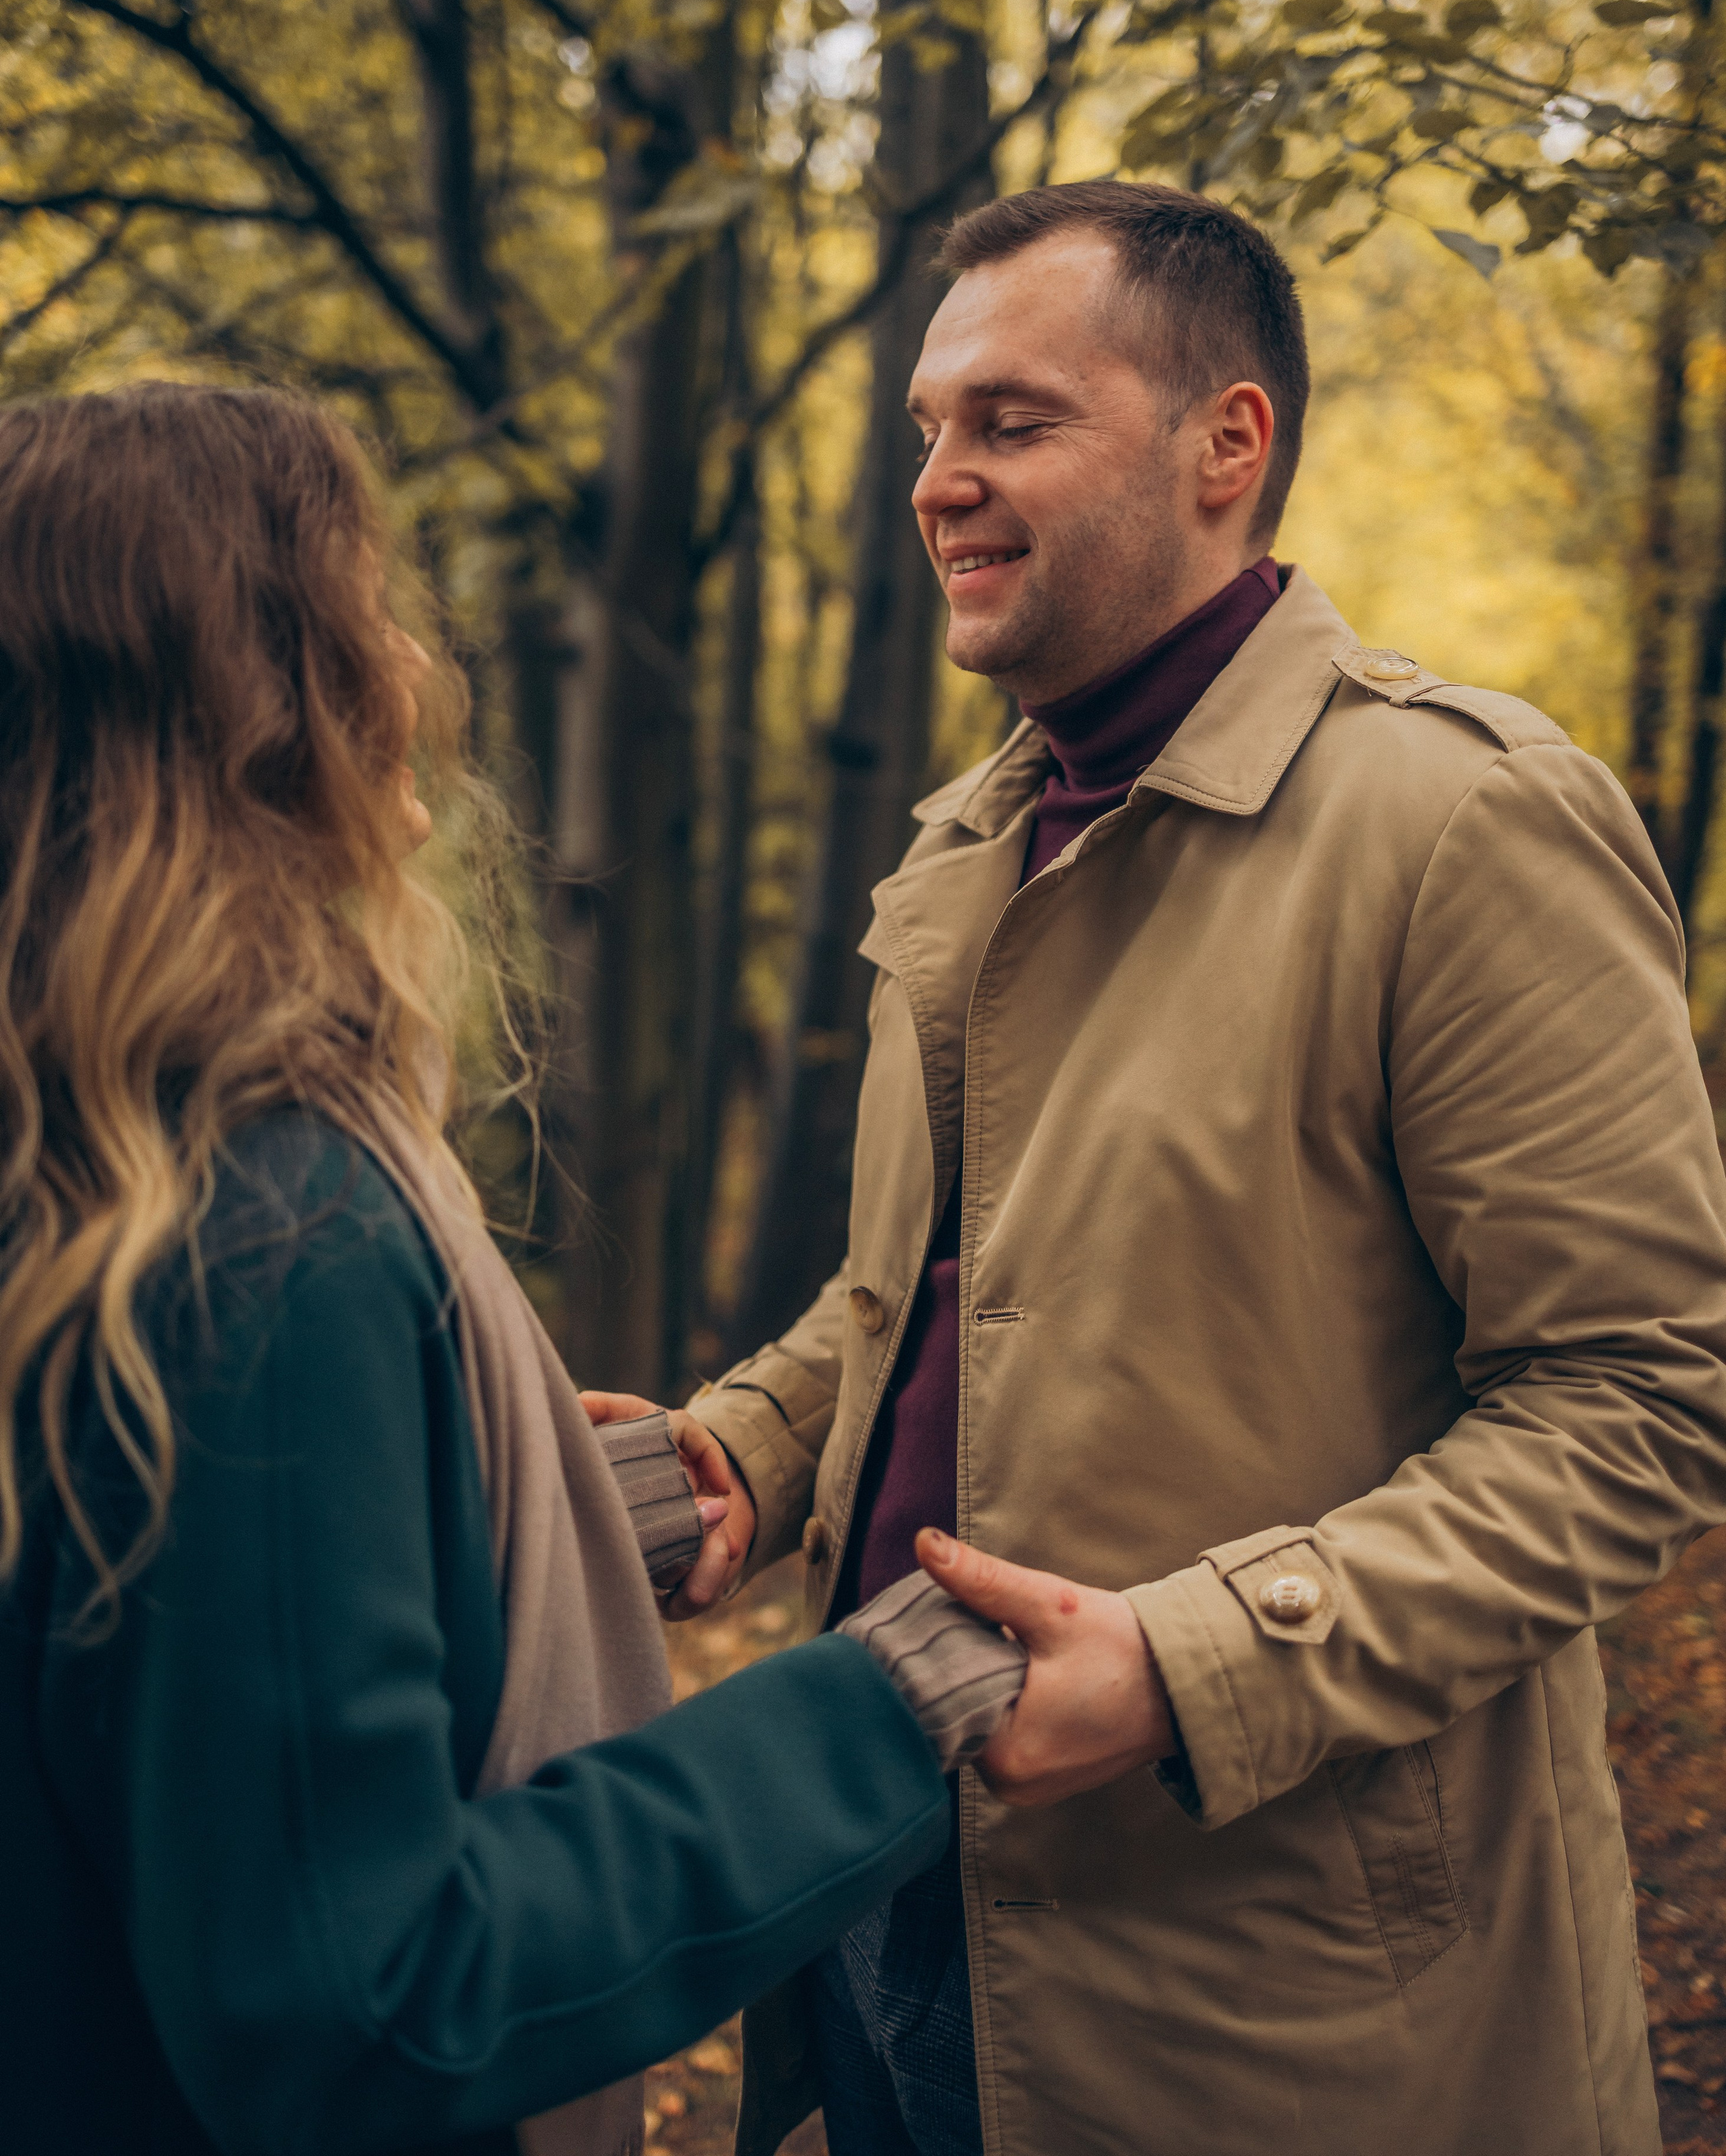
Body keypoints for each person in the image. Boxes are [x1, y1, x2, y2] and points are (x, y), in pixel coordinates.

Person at [663, 182, 1726, 2156]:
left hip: (1275, 1989)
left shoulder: (1458, 826)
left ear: (1225, 444)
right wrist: (755, 1443)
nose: (942, 482)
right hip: (893, 1908)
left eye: (1012, 421)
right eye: (928, 432)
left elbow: (1642, 1404)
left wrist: (1189, 1662)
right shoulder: (976, 840)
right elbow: (927, 1292)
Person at [0, 383, 1035, 2156]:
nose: (411, 666)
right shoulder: (267, 1224)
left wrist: (534, 1509)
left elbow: (124, 1639)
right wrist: (886, 1706)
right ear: (266, 704)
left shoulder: (83, 1149)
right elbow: (367, 2001)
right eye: (362, 611)